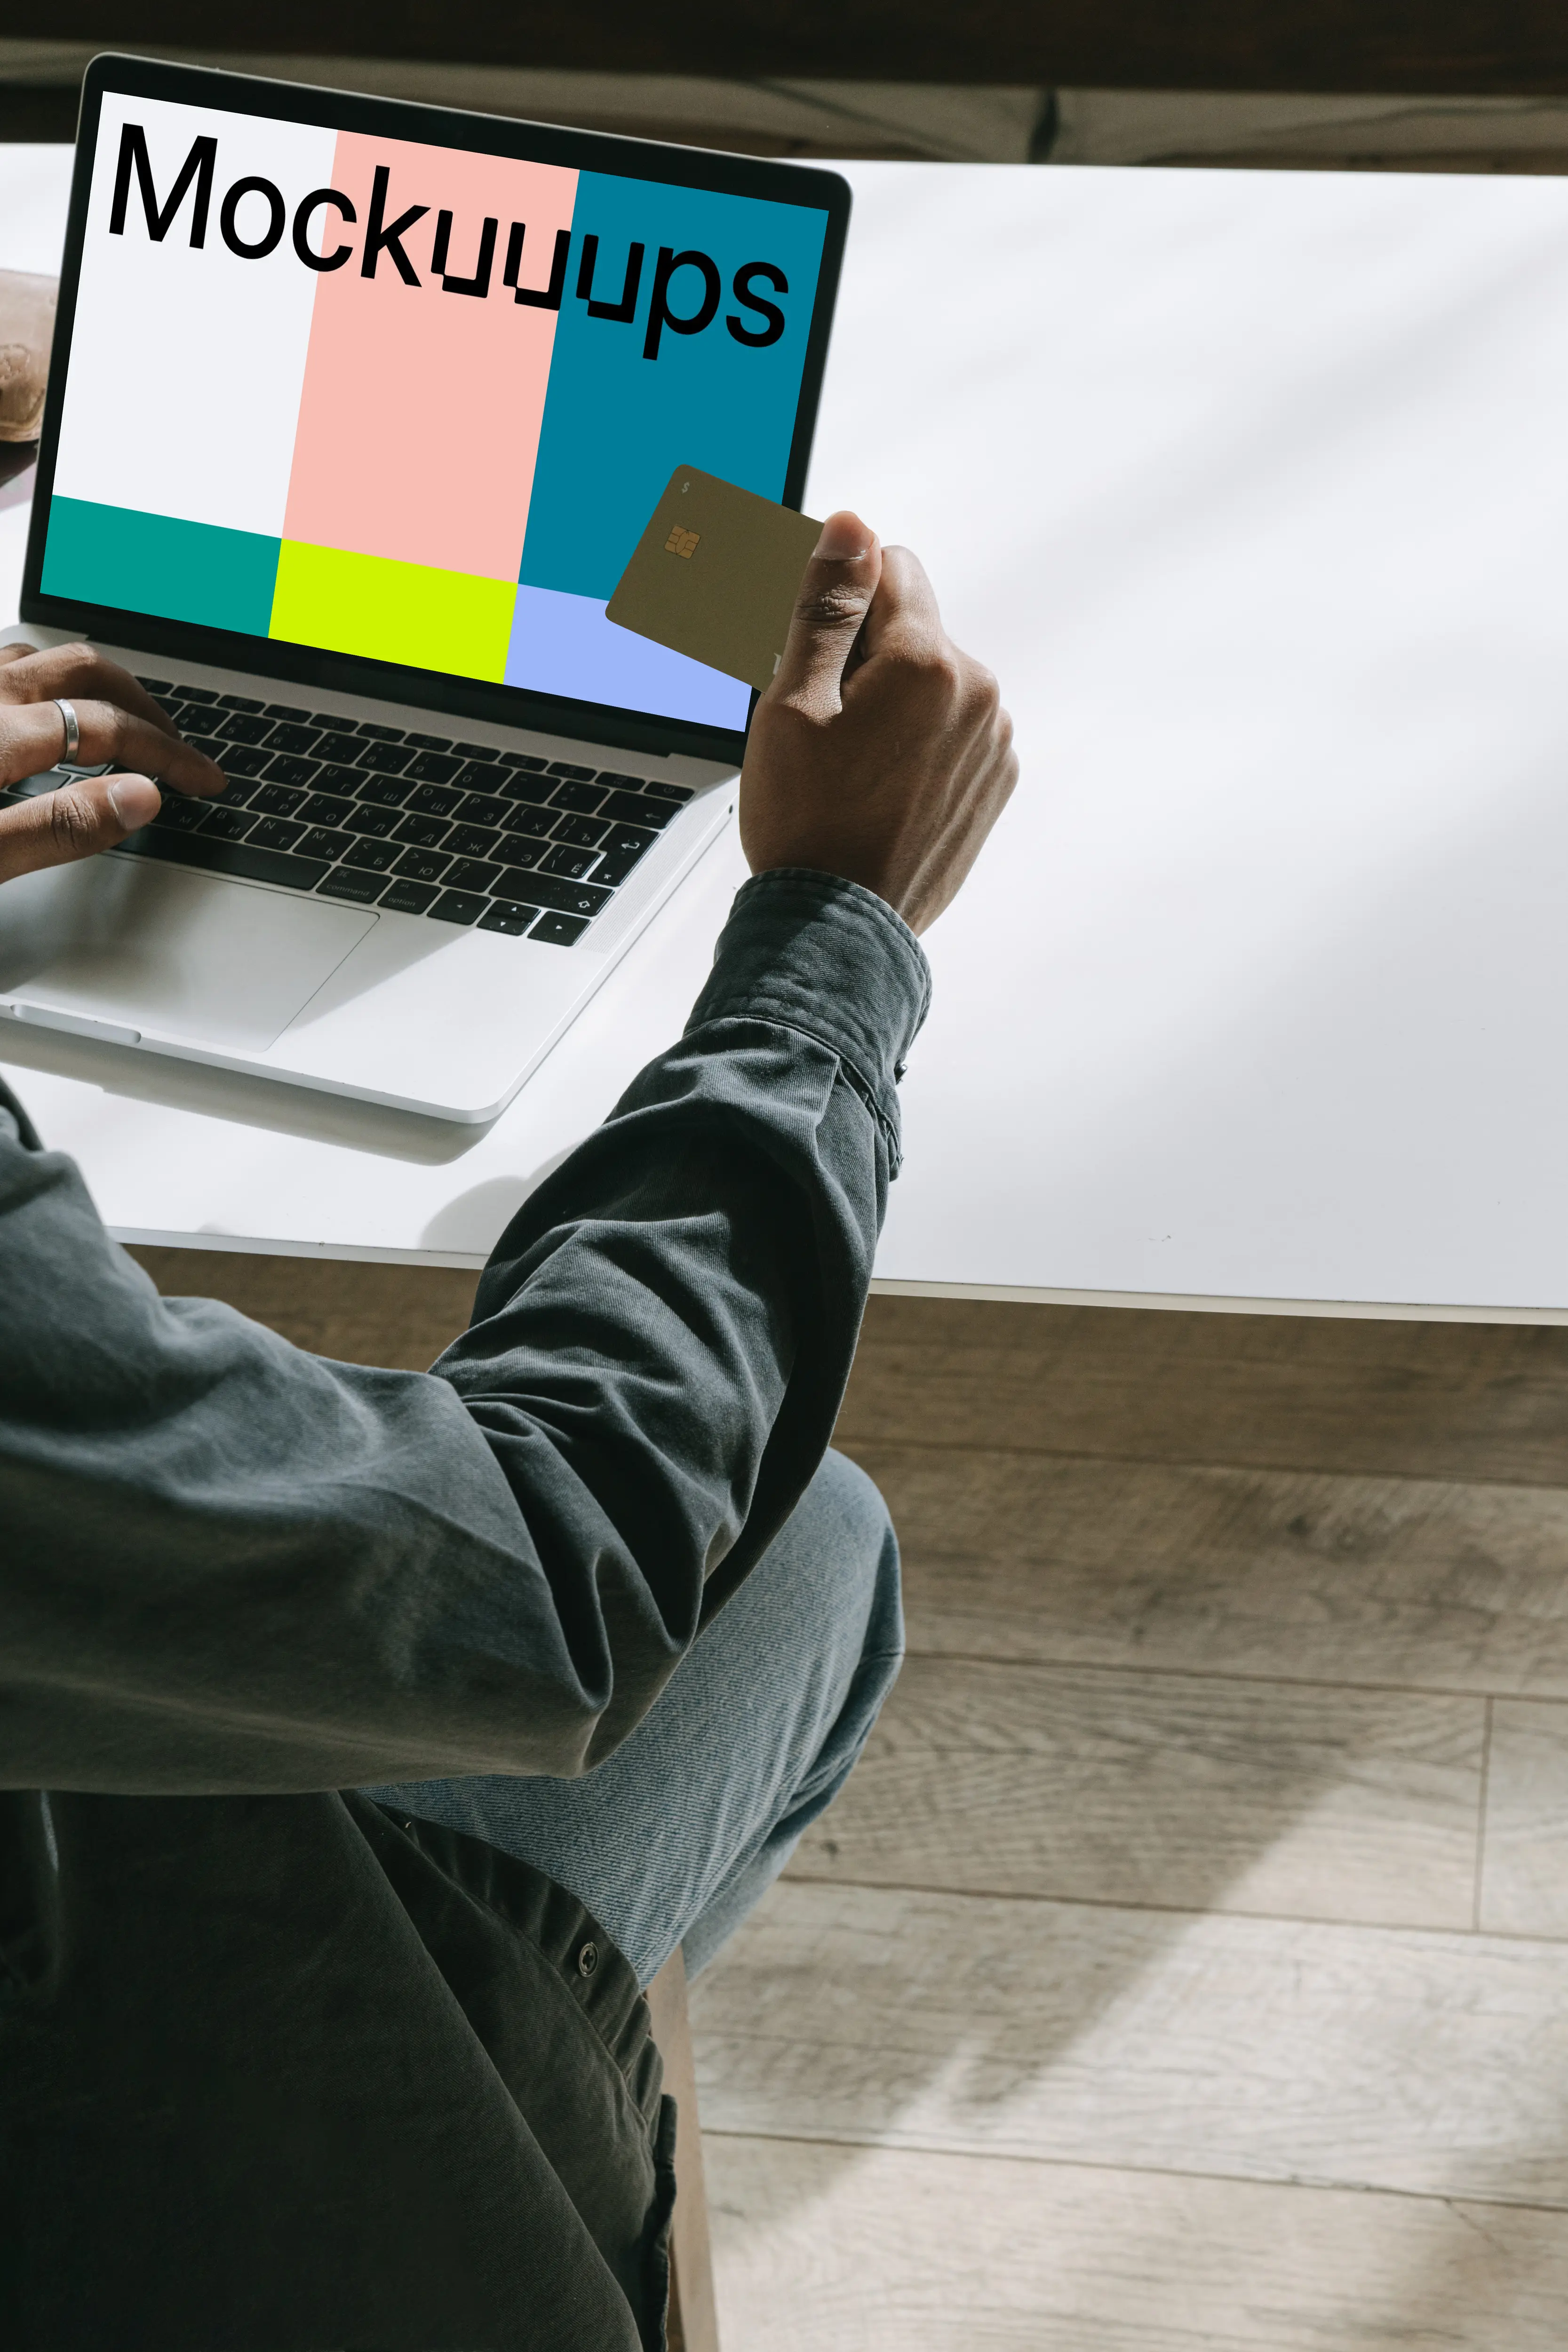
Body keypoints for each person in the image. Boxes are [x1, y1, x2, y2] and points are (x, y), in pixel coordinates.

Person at [0, 513, 1016, 2351]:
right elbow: (557, 1563)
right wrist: (831, 938)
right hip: (143, 2162)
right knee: (804, 1546)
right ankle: (537, 2133)